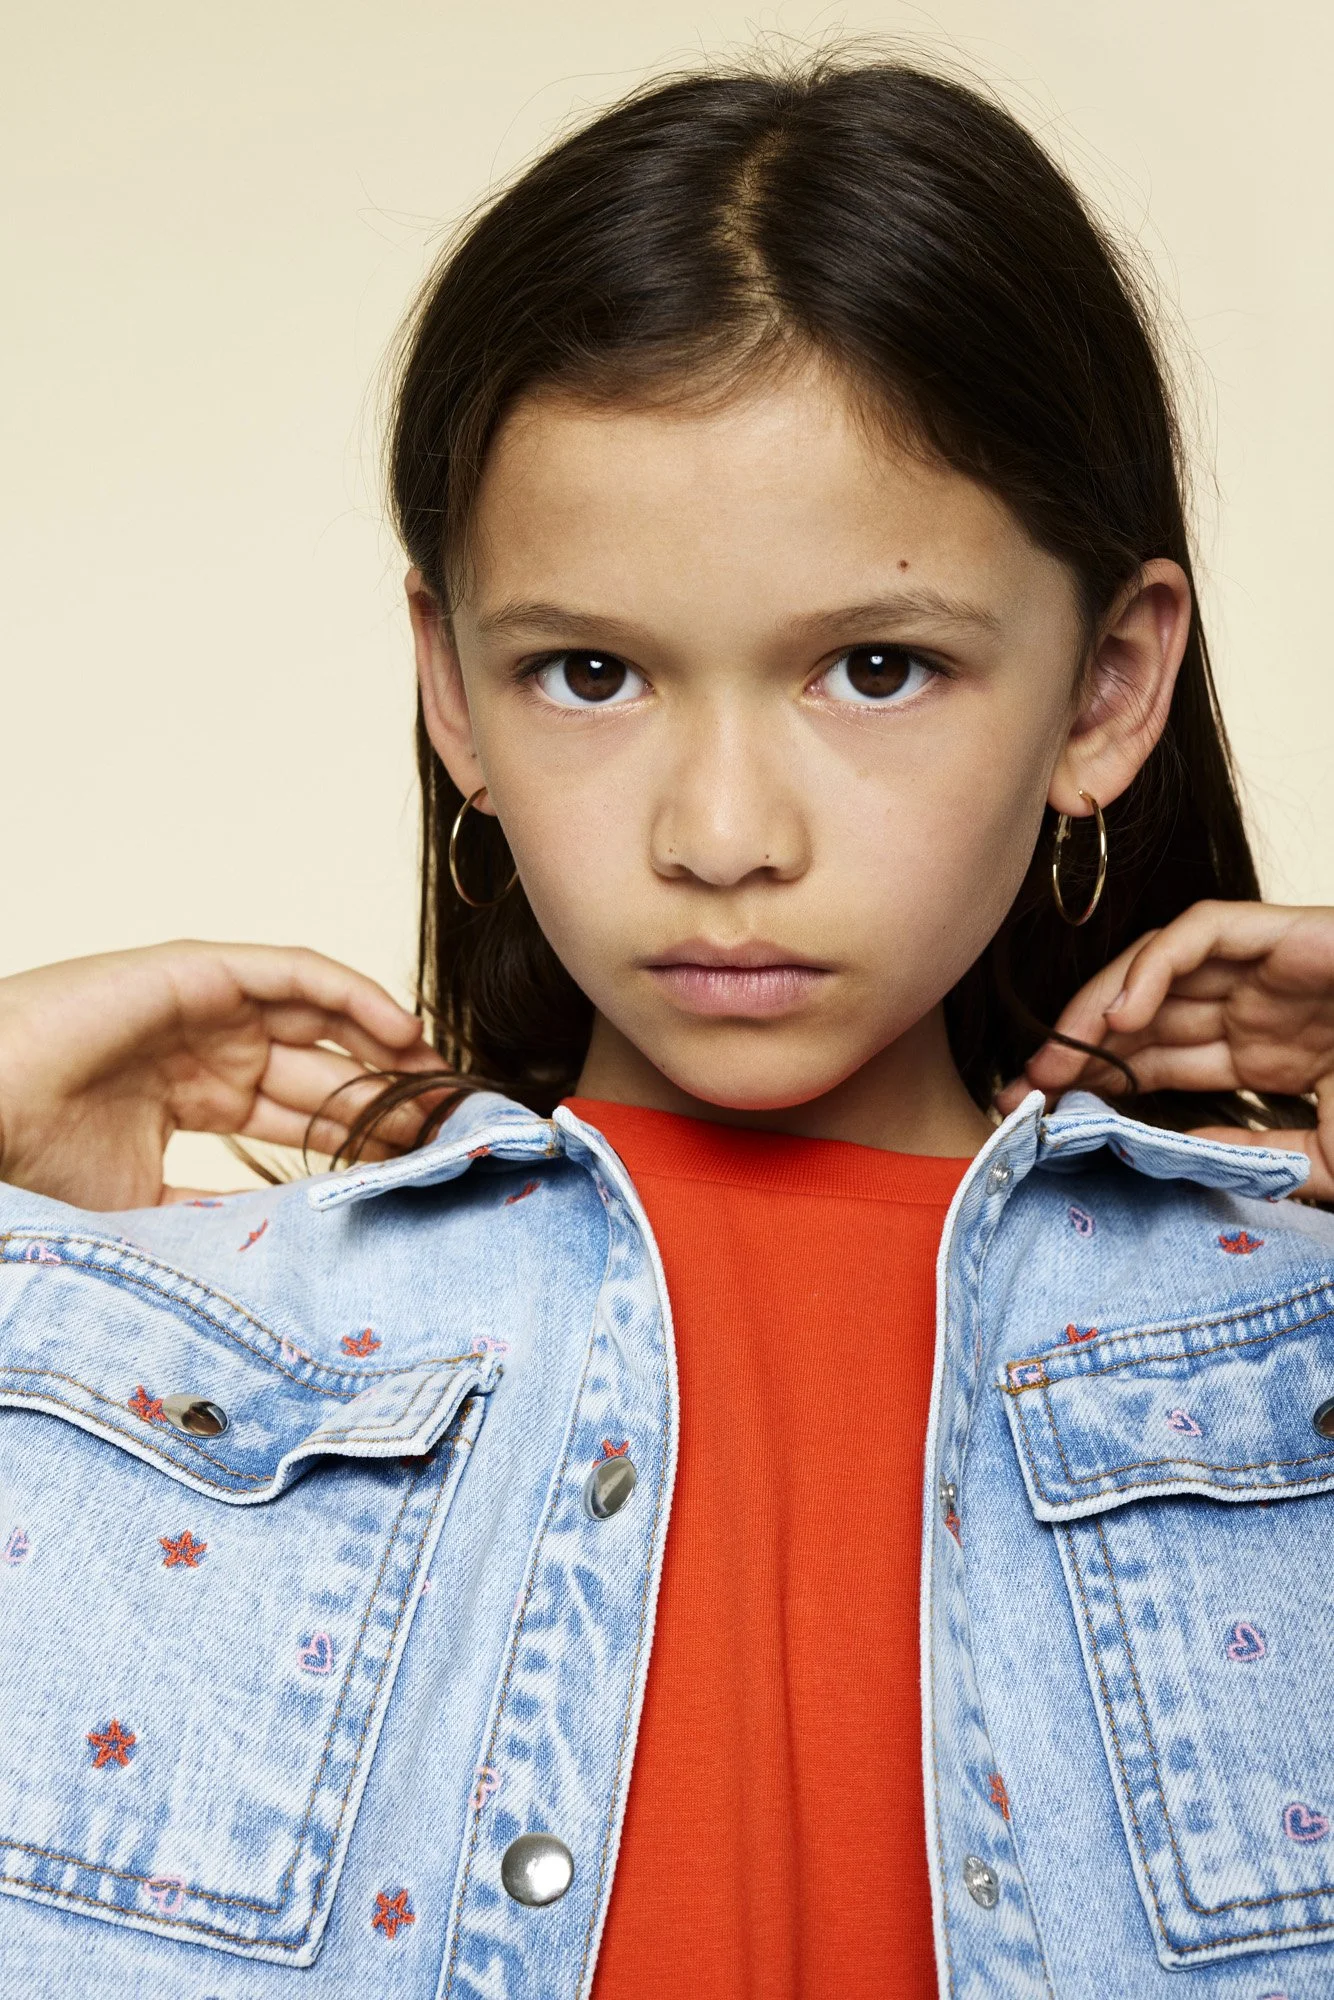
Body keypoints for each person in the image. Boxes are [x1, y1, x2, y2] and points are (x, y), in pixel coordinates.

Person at [1, 50, 1333, 2000]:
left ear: (1105, 689)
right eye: (589, 671)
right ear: (452, 687)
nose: (719, 836)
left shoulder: (1290, 1345)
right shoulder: (130, 1354)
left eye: (873, 668)